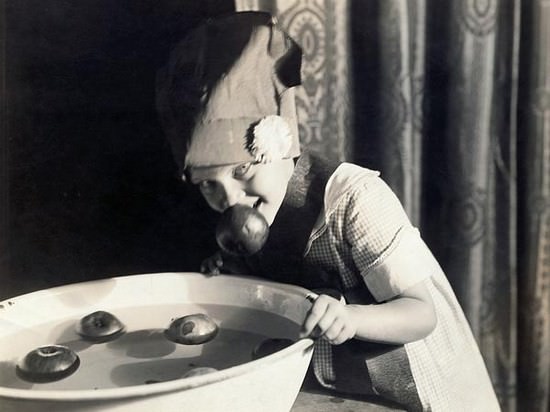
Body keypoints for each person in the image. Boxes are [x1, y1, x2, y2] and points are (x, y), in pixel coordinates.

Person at [156, 11, 500, 411]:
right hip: (332, 387)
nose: (231, 199)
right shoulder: (249, 217)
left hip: (409, 386)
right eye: (208, 185)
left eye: (242, 170)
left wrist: (351, 318)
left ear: (279, 142)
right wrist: (231, 272)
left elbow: (422, 314)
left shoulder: (355, 200)